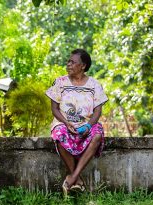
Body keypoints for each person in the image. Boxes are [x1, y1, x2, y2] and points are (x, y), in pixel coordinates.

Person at [45, 49, 108, 196]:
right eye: (68, 61)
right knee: (59, 133)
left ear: (83, 66)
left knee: (97, 134)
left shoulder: (94, 85)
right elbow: (54, 109)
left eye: (73, 62)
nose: (68, 64)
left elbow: (98, 112)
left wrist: (88, 125)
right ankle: (77, 179)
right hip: (64, 123)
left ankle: (72, 177)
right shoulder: (60, 82)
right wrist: (66, 123)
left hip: (86, 125)